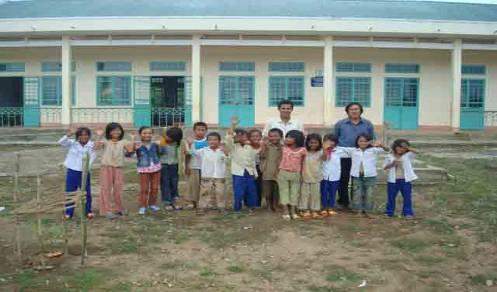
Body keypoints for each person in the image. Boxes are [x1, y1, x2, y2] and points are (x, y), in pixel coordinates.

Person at [334, 102, 375, 210]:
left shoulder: (367, 124)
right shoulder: (340, 124)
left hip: (361, 156)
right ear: (347, 111)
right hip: (344, 156)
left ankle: (357, 203)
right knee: (343, 178)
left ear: (360, 111)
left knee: (358, 179)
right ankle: (343, 201)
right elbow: (335, 139)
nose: (354, 111)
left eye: (356, 109)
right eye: (351, 109)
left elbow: (371, 140)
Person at [95, 122, 134, 219]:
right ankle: (106, 211)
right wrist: (99, 136)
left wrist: (133, 139)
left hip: (118, 168)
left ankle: (118, 209)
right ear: (109, 132)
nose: (116, 132)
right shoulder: (105, 141)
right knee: (106, 188)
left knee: (118, 189)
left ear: (121, 131)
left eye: (118, 130)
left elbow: (130, 150)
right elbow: (96, 147)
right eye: (113, 130)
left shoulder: (124, 141)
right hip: (106, 167)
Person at [342, 134, 388, 217]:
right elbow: (340, 150)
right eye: (360, 141)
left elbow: (387, 150)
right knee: (357, 193)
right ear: (357, 142)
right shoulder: (353, 151)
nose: (363, 143)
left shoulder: (374, 150)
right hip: (357, 176)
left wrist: (381, 145)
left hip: (370, 176)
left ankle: (368, 211)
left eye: (365, 141)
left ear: (369, 142)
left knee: (369, 194)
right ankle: (358, 210)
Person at [58, 127, 96, 220]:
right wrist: (68, 134)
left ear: (89, 136)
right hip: (72, 171)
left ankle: (88, 211)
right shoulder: (72, 143)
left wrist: (86, 168)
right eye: (81, 135)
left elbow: (93, 157)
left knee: (86, 192)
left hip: (85, 172)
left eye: (86, 134)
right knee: (70, 192)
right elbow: (61, 142)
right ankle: (68, 213)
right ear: (78, 136)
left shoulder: (92, 145)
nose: (83, 137)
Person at [225, 126, 259, 212]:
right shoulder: (233, 147)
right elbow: (228, 140)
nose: (241, 138)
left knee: (251, 190)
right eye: (238, 136)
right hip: (238, 173)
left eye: (243, 136)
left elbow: (252, 161)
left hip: (249, 172)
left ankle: (251, 206)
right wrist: (232, 126)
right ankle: (237, 208)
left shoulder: (249, 147)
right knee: (238, 191)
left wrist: (255, 173)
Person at [190, 132, 227, 210]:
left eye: (215, 140)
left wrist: (225, 151)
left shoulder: (222, 151)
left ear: (219, 141)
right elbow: (193, 152)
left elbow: (228, 158)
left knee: (220, 192)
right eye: (210, 140)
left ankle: (221, 207)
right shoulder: (203, 151)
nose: (212, 141)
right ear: (207, 141)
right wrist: (192, 143)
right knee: (205, 192)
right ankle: (203, 207)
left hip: (220, 176)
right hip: (207, 175)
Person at [383, 139, 418, 219]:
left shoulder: (408, 155)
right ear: (395, 146)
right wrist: (392, 164)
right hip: (393, 180)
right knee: (391, 197)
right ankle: (389, 212)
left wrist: (408, 148)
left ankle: (407, 212)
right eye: (399, 147)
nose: (400, 149)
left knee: (407, 197)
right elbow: (384, 167)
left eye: (403, 148)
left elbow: (417, 152)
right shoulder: (389, 156)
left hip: (405, 180)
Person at [132, 126, 162, 215]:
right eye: (144, 133)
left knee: (155, 188)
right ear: (140, 134)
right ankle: (143, 206)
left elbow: (160, 153)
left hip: (156, 168)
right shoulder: (138, 145)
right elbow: (129, 154)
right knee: (144, 189)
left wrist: (160, 144)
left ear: (152, 134)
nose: (147, 135)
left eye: (149, 133)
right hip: (143, 169)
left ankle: (152, 204)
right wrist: (134, 147)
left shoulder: (155, 145)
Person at [277, 130, 306, 220]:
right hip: (283, 173)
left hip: (296, 174)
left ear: (297, 139)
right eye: (287, 137)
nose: (287, 139)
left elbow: (303, 163)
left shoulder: (303, 150)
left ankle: (293, 211)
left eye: (290, 137)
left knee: (294, 192)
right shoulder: (283, 148)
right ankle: (285, 211)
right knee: (284, 191)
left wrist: (302, 174)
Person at [299, 133, 326, 219]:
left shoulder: (320, 152)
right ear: (307, 143)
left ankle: (314, 210)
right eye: (311, 142)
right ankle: (304, 209)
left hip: (316, 176)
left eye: (315, 143)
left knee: (315, 194)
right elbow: (300, 162)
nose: (313, 144)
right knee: (304, 193)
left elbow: (325, 158)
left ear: (319, 143)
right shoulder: (304, 151)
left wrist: (325, 148)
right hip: (305, 175)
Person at [320, 134, 347, 217]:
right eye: (327, 141)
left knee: (333, 192)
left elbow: (352, 151)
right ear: (324, 142)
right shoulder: (320, 150)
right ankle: (324, 207)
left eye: (332, 141)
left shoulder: (339, 150)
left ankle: (331, 207)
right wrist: (325, 149)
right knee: (324, 192)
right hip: (324, 175)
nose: (330, 143)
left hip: (335, 176)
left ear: (336, 143)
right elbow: (324, 158)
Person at [184, 122, 209, 209]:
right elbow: (187, 154)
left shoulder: (208, 141)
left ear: (206, 131)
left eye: (203, 130)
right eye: (198, 130)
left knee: (205, 186)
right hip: (194, 166)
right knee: (193, 185)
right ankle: (193, 202)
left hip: (206, 167)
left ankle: (203, 202)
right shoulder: (189, 141)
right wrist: (187, 166)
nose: (200, 132)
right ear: (194, 130)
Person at [159, 126, 183, 210]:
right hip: (164, 166)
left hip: (174, 165)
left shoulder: (177, 143)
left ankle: (174, 200)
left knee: (174, 183)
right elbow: (160, 152)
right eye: (167, 136)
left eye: (169, 137)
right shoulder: (162, 142)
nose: (167, 138)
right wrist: (163, 136)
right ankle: (167, 202)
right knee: (165, 184)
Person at [260, 128, 283, 211]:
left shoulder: (283, 147)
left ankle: (275, 205)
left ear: (281, 137)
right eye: (271, 136)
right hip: (267, 171)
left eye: (276, 136)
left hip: (278, 172)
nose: (273, 138)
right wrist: (264, 147)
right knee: (267, 191)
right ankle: (269, 205)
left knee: (276, 190)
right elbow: (262, 156)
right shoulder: (267, 146)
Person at [248, 128, 263, 207]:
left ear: (260, 137)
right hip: (249, 168)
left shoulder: (263, 146)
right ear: (249, 137)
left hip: (260, 168)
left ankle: (258, 204)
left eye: (257, 136)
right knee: (249, 185)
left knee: (259, 186)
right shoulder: (247, 146)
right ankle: (248, 203)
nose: (255, 138)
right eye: (252, 136)